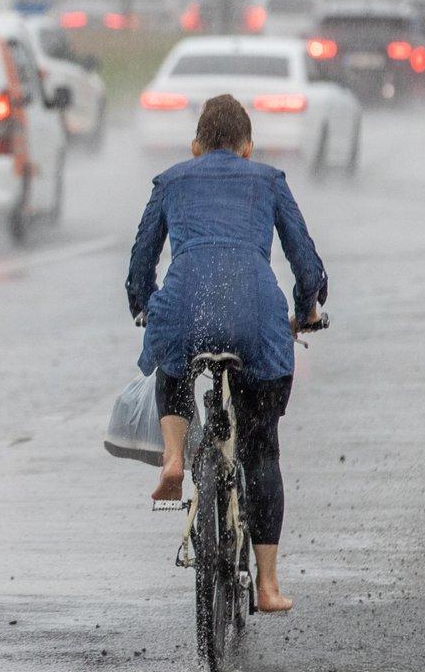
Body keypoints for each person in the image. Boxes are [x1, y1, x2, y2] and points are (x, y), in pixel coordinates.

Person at [125, 94, 327, 614]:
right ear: (247, 148)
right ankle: (267, 584)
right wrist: (307, 308)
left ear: (195, 147)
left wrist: (146, 308)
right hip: (255, 315)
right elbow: (304, 260)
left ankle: (173, 457)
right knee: (261, 448)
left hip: (185, 306)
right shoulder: (268, 180)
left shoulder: (171, 180)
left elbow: (141, 260)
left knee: (173, 362)